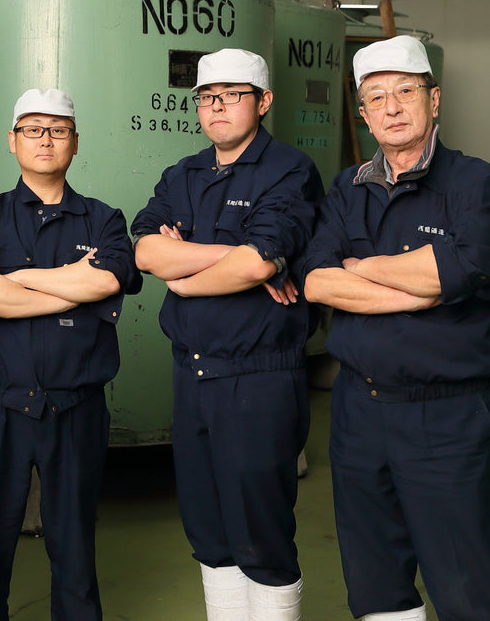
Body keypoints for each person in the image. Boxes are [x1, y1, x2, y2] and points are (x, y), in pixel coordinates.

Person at [299, 35, 490, 621]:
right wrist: (417, 285)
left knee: (464, 583)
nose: (392, 107)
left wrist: (360, 267)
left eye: (406, 91)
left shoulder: (474, 183)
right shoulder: (347, 188)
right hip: (357, 411)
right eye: (376, 97)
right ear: (363, 112)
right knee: (374, 580)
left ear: (434, 99)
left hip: (442, 412)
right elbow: (316, 282)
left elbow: (464, 270)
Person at [131, 48, 323, 621]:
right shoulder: (183, 174)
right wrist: (237, 257)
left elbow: (259, 261)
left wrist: (187, 275)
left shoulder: (289, 170)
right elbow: (145, 251)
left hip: (258, 374)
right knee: (208, 528)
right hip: (191, 371)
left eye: (233, 96)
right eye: (208, 98)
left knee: (260, 532)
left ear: (263, 102)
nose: (217, 107)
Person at [0, 88, 141, 621]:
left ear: (75, 143)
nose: (45, 140)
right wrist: (70, 285)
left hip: (76, 407)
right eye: (33, 130)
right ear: (12, 140)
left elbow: (109, 280)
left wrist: (15, 279)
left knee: (75, 544)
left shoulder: (104, 219)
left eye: (58, 131)